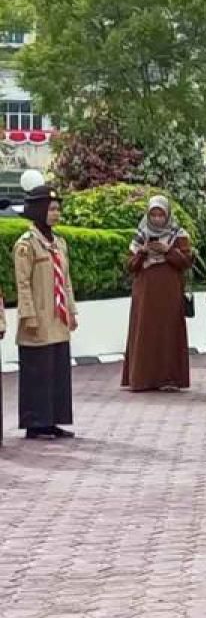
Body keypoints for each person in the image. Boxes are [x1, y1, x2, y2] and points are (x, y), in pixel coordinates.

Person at [15, 186, 79, 440]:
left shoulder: (59, 243)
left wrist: (71, 311)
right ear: (39, 210)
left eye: (57, 209)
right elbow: (22, 283)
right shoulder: (26, 245)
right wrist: (28, 315)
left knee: (57, 371)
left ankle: (53, 420)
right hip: (38, 318)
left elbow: (66, 281)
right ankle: (36, 422)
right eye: (51, 209)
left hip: (58, 318)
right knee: (37, 371)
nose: (56, 214)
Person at [121, 195, 193, 392]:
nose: (157, 218)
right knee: (145, 331)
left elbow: (186, 262)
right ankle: (143, 378)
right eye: (153, 214)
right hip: (145, 292)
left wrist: (168, 251)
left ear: (168, 214)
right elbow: (130, 265)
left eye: (161, 214)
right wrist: (143, 252)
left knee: (168, 331)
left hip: (169, 291)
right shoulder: (140, 235)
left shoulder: (179, 235)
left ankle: (169, 378)